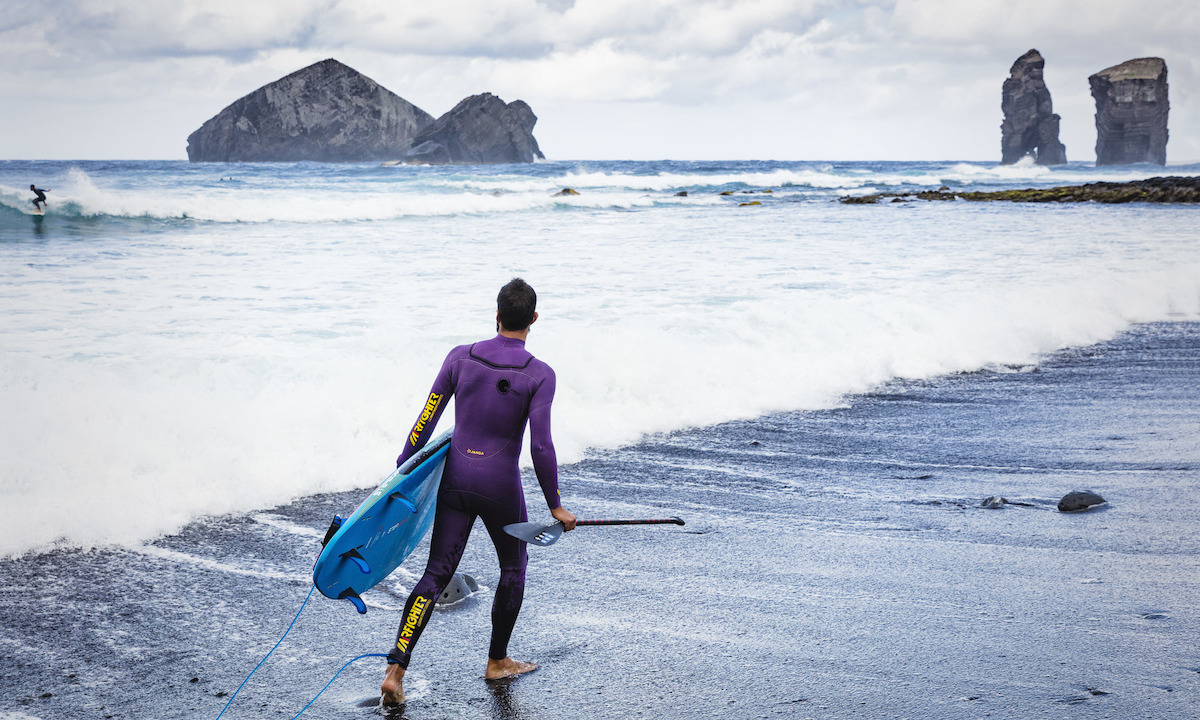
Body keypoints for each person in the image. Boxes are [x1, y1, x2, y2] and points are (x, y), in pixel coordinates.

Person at [381, 277, 576, 705]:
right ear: (534, 320)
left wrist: (402, 474)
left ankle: (395, 670)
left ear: (497, 315)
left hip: (455, 478)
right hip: (499, 486)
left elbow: (426, 420)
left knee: (436, 573)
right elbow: (541, 444)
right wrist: (556, 505)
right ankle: (497, 661)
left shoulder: (459, 357)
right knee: (513, 569)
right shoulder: (541, 375)